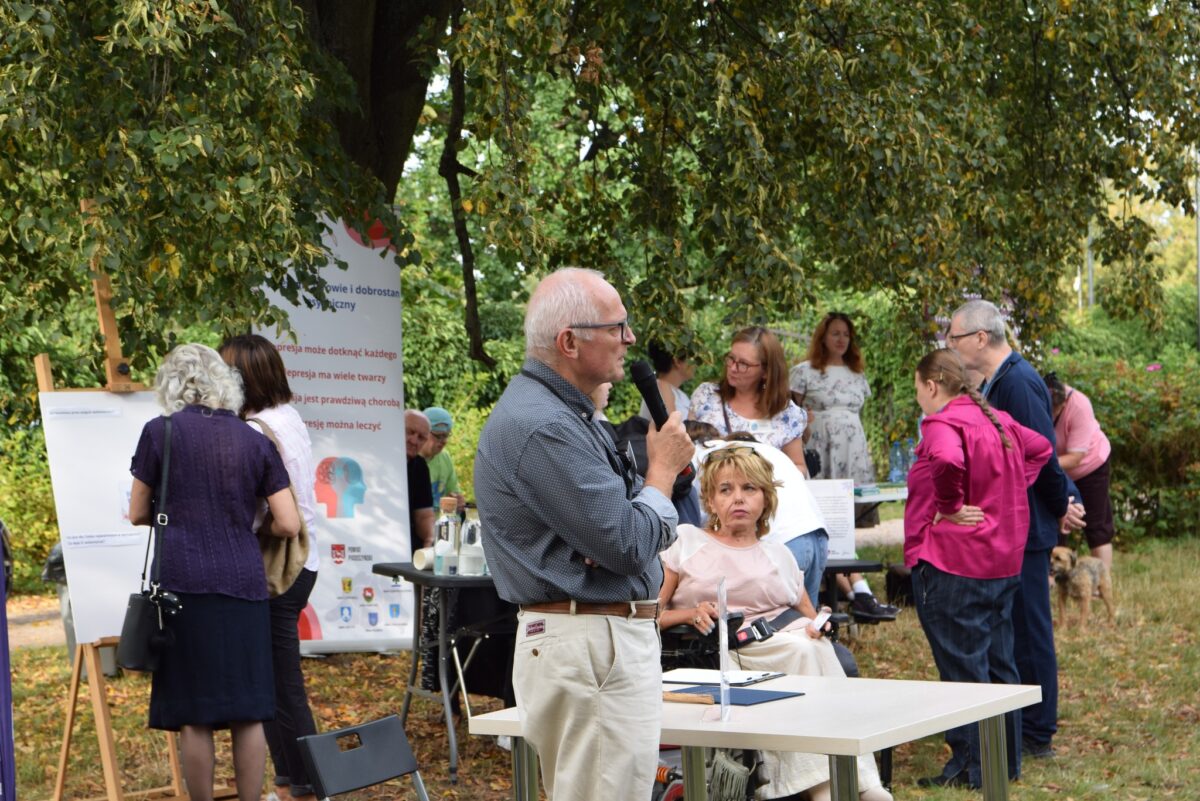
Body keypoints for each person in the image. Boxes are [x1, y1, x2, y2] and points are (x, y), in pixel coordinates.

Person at [474, 267, 694, 801]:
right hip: (590, 642)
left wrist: (630, 526)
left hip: (596, 638)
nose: (631, 338)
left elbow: (619, 537)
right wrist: (660, 473)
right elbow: (626, 542)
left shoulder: (566, 415)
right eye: (617, 326)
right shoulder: (544, 426)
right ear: (570, 341)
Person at [659, 447, 891, 801]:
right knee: (806, 652)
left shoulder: (779, 554)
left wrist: (820, 623)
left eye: (749, 488)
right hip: (722, 652)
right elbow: (650, 616)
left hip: (790, 646)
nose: (738, 498)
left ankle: (856, 783)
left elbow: (811, 616)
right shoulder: (687, 542)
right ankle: (836, 786)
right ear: (709, 499)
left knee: (813, 646)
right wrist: (689, 613)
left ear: (766, 498)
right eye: (726, 489)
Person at [128, 344, 300, 801]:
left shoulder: (158, 433)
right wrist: (242, 520)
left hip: (183, 583)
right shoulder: (254, 440)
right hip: (243, 583)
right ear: (225, 382)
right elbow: (288, 522)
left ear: (172, 384)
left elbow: (137, 511)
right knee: (249, 710)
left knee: (194, 713)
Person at [905, 349, 1052, 789]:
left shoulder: (943, 423)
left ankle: (972, 769)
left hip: (954, 562)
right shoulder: (997, 420)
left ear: (932, 386)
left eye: (918, 391)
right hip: (1000, 559)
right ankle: (1002, 764)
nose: (920, 401)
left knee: (964, 671)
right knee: (998, 663)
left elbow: (949, 461)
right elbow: (1041, 448)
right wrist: (1006, 489)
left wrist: (949, 507)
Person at [946, 299, 1085, 759]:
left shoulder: (1020, 382)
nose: (950, 344)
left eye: (955, 336)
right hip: (1012, 526)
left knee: (1030, 631)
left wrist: (1062, 504)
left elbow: (1040, 453)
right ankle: (1022, 722)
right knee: (1015, 630)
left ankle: (1038, 731)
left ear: (981, 338)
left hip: (1026, 528)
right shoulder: (1000, 379)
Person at [218, 335, 320, 801]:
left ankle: (306, 784)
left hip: (280, 565)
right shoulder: (288, 417)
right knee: (279, 682)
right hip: (306, 560)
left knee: (281, 685)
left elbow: (272, 516)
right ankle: (292, 781)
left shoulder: (256, 430)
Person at [789, 312, 894, 621]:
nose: (841, 339)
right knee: (822, 511)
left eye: (846, 334)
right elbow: (790, 414)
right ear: (823, 336)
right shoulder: (804, 372)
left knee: (845, 517)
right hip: (818, 444)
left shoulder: (856, 373)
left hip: (852, 448)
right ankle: (850, 589)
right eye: (835, 333)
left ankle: (853, 589)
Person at [690, 326, 808, 472]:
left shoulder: (787, 414)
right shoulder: (706, 396)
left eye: (743, 364)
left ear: (766, 371)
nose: (733, 368)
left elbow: (799, 467)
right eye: (731, 358)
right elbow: (686, 448)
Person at [1044, 373, 1115, 570]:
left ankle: (1101, 581)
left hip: (1090, 466)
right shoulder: (1037, 399)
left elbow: (1076, 457)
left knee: (1096, 525)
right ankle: (1054, 577)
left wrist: (1043, 464)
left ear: (1064, 402)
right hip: (1058, 469)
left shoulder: (1079, 405)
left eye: (1055, 411)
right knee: (1056, 522)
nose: (1051, 416)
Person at [421, 406, 466, 514]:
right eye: (438, 436)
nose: (443, 441)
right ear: (423, 432)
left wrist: (458, 502)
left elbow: (454, 493)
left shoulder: (445, 458)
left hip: (441, 528)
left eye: (446, 436)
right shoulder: (409, 461)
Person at [638, 340, 695, 419]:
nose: (694, 364)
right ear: (677, 361)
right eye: (691, 358)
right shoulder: (660, 387)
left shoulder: (681, 395)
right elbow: (671, 427)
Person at [404, 410, 435, 554]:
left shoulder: (420, 466)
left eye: (421, 437)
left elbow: (424, 515)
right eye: (409, 432)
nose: (414, 440)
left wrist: (431, 536)